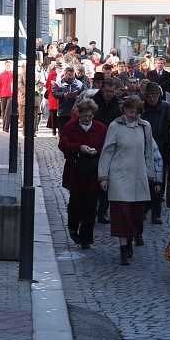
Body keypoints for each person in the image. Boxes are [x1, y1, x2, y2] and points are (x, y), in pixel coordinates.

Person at [98, 96, 154, 265]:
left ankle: (129, 241)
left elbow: (149, 152)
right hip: (119, 176)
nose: (133, 115)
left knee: (136, 215)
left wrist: (151, 175)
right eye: (131, 111)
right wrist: (103, 176)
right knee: (122, 213)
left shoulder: (145, 127)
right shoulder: (115, 126)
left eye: (136, 112)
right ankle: (123, 251)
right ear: (124, 110)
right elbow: (107, 151)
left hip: (138, 177)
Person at [58, 98, 107, 249]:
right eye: (84, 116)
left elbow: (106, 147)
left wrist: (95, 151)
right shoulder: (70, 127)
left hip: (93, 173)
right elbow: (63, 144)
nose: (87, 119)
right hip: (76, 172)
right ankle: (73, 229)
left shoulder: (101, 128)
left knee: (90, 207)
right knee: (75, 205)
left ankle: (86, 238)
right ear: (79, 114)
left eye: (90, 116)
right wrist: (80, 147)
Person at [141, 82, 170, 224]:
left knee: (158, 182)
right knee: (144, 180)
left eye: (154, 96)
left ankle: (156, 213)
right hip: (144, 147)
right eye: (149, 97)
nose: (151, 99)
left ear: (159, 95)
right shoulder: (142, 108)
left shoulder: (167, 108)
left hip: (162, 148)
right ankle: (144, 209)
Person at [92, 77, 122, 224]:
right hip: (95, 143)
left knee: (107, 179)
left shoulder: (118, 104)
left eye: (112, 91)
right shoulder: (93, 101)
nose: (109, 94)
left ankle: (102, 211)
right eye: (107, 91)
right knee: (93, 178)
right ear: (102, 89)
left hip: (111, 145)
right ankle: (91, 209)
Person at [53, 66, 85, 131]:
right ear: (65, 74)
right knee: (63, 129)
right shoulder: (59, 83)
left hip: (75, 110)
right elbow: (54, 93)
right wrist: (63, 95)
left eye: (72, 75)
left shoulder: (79, 84)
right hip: (63, 110)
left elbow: (83, 93)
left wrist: (78, 97)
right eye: (69, 75)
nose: (71, 77)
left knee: (74, 130)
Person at [18, 61, 45, 137]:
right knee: (24, 116)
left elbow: (41, 84)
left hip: (35, 98)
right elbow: (19, 84)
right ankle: (25, 131)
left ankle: (33, 131)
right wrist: (27, 90)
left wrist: (35, 89)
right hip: (24, 98)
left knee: (34, 116)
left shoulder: (39, 75)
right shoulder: (21, 75)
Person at [45, 60, 65, 136]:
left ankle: (60, 128)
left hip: (61, 95)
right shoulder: (52, 74)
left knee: (61, 113)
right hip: (53, 96)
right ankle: (53, 128)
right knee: (53, 113)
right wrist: (53, 87)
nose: (60, 70)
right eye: (59, 68)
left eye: (61, 68)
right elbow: (47, 85)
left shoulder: (64, 75)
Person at [0, 60, 13, 132]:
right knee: (3, 112)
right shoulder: (1, 75)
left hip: (11, 95)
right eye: (7, 65)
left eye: (9, 65)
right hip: (3, 95)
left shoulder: (14, 74)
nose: (8, 67)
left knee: (7, 111)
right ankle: (4, 126)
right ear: (5, 66)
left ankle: (6, 128)